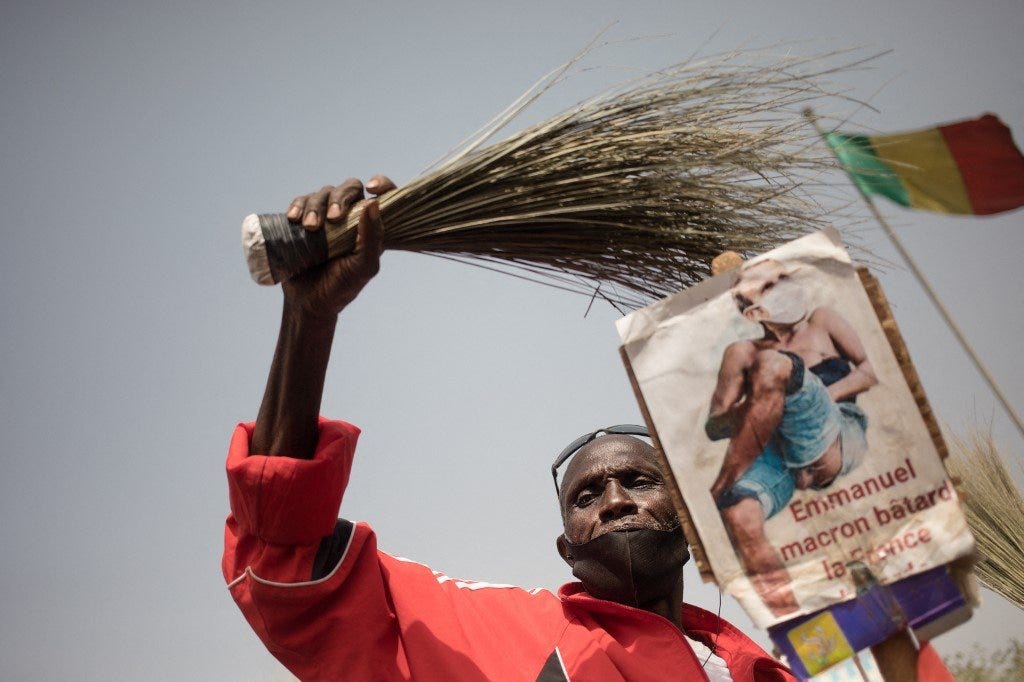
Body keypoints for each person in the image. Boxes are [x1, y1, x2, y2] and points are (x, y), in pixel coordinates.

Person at [222, 179, 795, 680]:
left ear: (693, 521)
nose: (615, 501)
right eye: (587, 496)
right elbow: (281, 555)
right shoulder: (480, 629)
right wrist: (309, 318)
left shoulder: (756, 670)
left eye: (639, 483)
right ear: (566, 550)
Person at [704, 259, 877, 617]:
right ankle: (792, 617)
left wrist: (805, 397)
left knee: (774, 365)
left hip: (837, 428)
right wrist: (757, 404)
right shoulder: (743, 352)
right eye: (769, 287)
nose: (784, 286)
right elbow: (715, 425)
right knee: (739, 513)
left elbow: (868, 371)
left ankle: (727, 477)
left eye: (783, 278)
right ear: (753, 313)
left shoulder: (821, 323)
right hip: (778, 450)